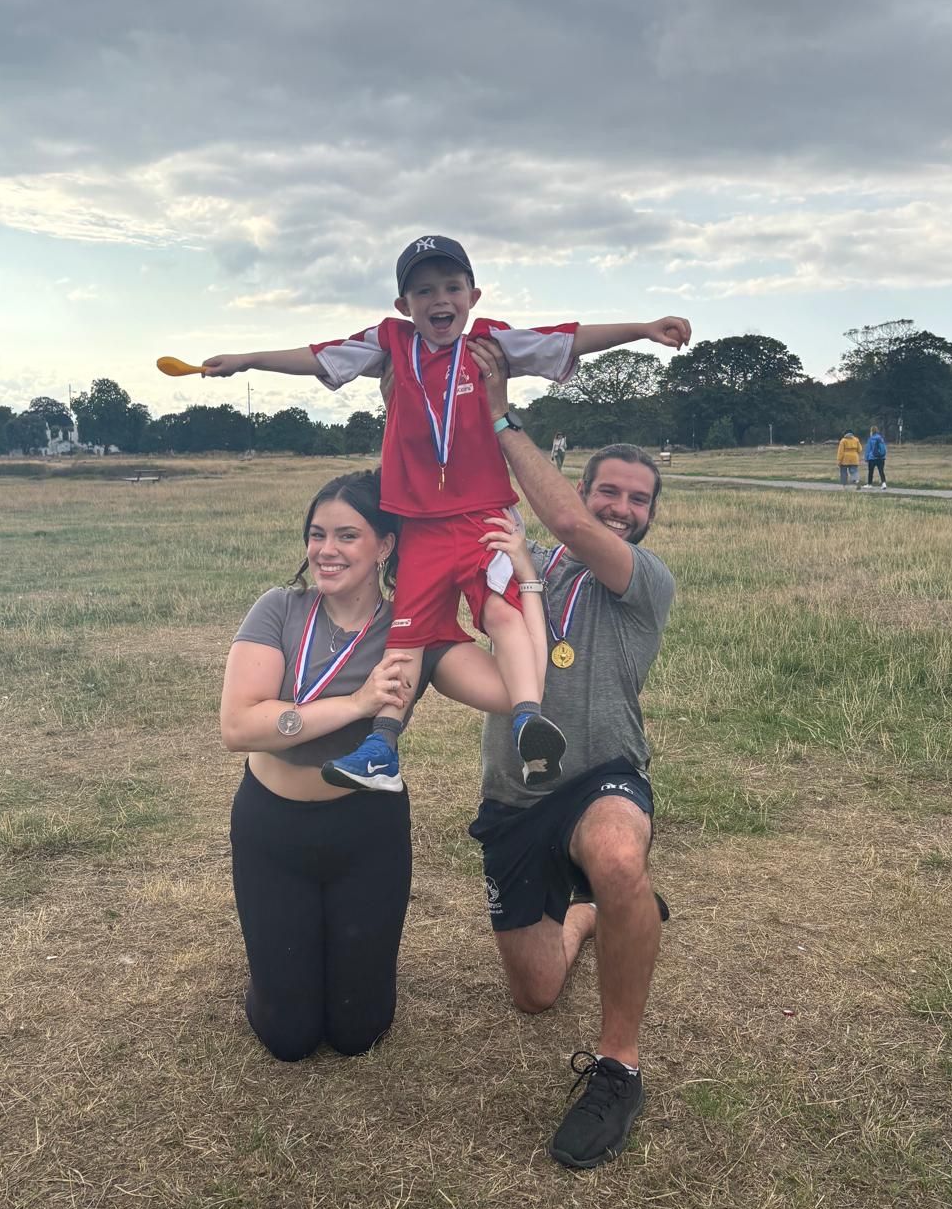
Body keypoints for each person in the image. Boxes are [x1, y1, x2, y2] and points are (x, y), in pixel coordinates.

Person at [203, 235, 691, 798]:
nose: (440, 299)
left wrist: (644, 328)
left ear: (473, 295)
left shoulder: (490, 344)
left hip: (484, 517)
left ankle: (530, 719)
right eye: (424, 290)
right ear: (402, 305)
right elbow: (318, 356)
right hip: (419, 525)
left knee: (502, 616)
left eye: (452, 287)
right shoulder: (390, 344)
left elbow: (568, 335)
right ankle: (381, 746)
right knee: (405, 638)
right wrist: (246, 360)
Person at [221, 467, 546, 1062]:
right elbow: (240, 726)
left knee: (358, 1032)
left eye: (347, 535)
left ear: (386, 544)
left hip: (365, 832)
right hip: (272, 829)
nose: (326, 550)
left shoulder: (414, 631)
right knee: (286, 1037)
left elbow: (514, 688)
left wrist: (524, 582)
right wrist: (357, 703)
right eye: (316, 534)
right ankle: (280, 975)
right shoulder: (279, 610)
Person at [466, 336, 678, 1170]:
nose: (623, 507)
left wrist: (498, 414)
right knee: (536, 993)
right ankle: (598, 912)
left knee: (618, 855)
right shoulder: (525, 568)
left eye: (639, 498)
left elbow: (563, 521)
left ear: (649, 515)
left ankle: (620, 1066)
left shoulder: (642, 580)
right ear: (586, 486)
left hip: (603, 775)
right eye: (609, 492)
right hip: (516, 795)